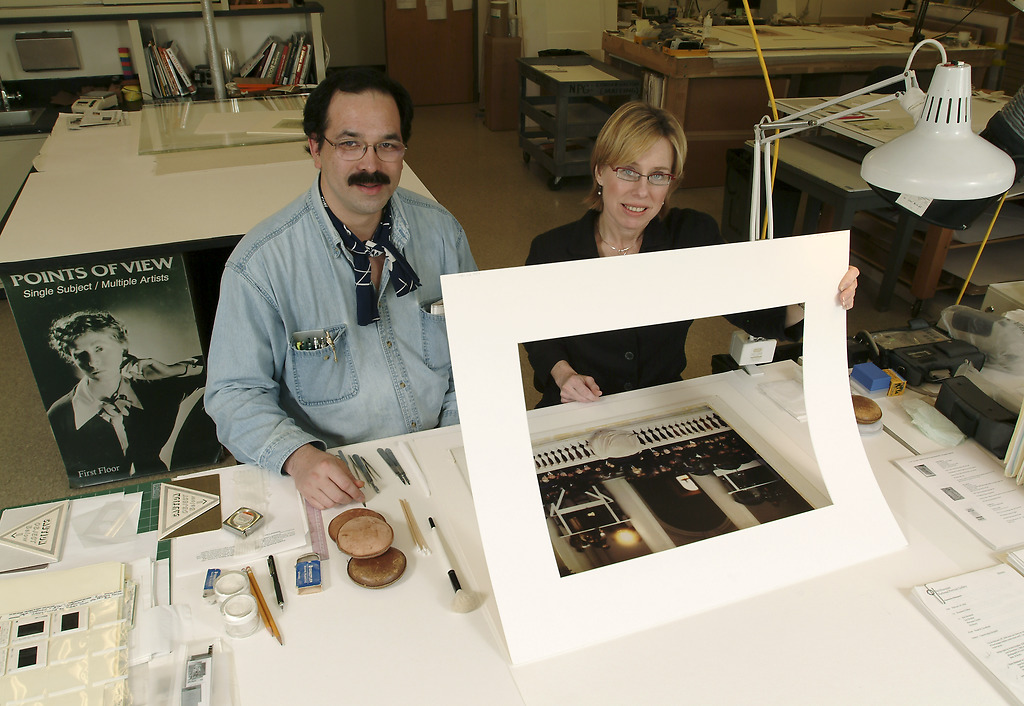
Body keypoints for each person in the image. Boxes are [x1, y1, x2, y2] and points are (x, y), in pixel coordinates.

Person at [204, 68, 477, 510]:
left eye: (387, 145)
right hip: (331, 476)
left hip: (443, 451)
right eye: (349, 144)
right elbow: (233, 392)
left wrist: (452, 435)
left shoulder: (442, 234)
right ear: (315, 148)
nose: (371, 164)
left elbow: (475, 348)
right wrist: (298, 457)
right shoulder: (261, 265)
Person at [524, 101, 858, 407]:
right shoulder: (551, 250)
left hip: (660, 406)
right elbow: (535, 331)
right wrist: (563, 374)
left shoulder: (690, 236)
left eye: (658, 175)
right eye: (628, 170)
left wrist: (818, 293)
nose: (642, 190)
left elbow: (752, 305)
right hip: (575, 408)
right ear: (600, 171)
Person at [47, 310, 207, 483]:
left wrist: (173, 370)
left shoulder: (155, 388)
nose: (92, 362)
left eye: (99, 349)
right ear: (71, 358)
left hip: (164, 483)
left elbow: (223, 372)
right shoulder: (60, 414)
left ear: (122, 344)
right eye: (80, 355)